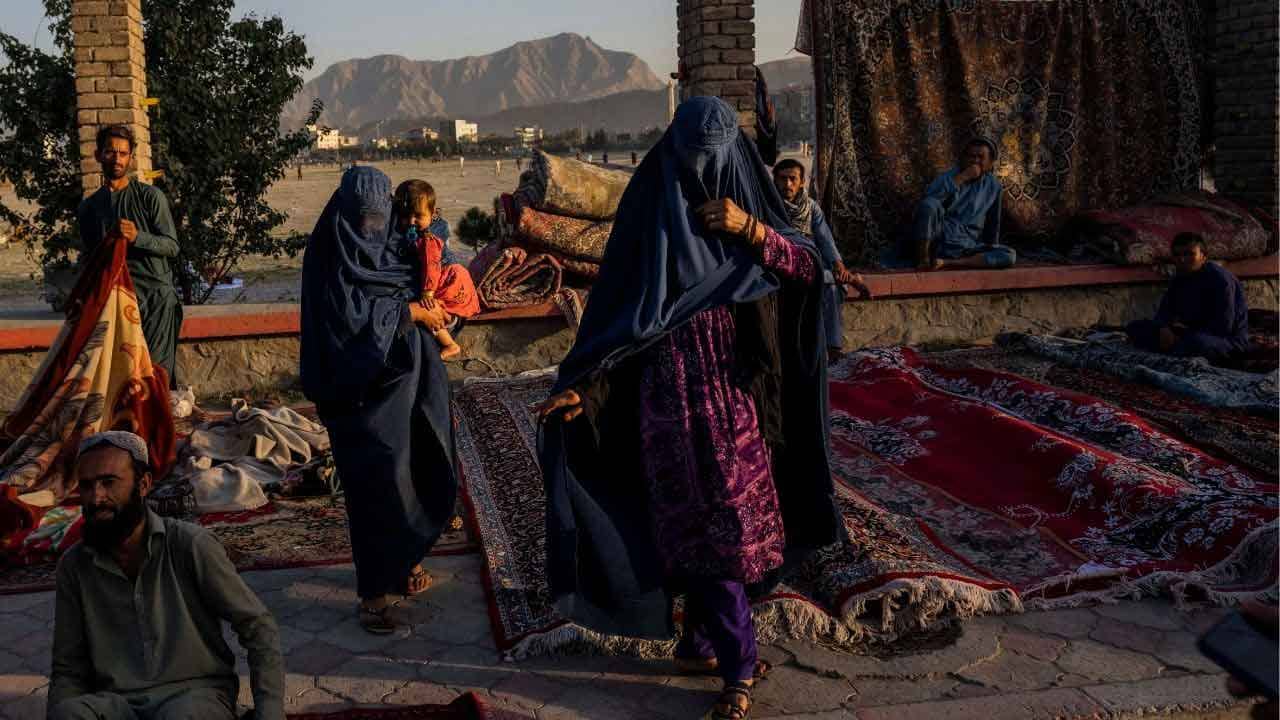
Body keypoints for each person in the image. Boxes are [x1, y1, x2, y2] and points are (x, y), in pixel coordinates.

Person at [535, 97, 839, 720]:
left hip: (738, 410)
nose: (702, 170)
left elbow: (809, 270)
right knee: (698, 538)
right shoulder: (650, 218)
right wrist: (584, 388)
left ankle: (710, 646)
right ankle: (735, 669)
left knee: (730, 537)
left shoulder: (748, 212)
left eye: (713, 157)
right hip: (665, 414)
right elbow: (621, 324)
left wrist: (749, 230)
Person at [299, 167, 459, 634]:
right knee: (374, 487)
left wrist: (435, 308)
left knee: (421, 469)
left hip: (413, 381)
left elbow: (434, 277)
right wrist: (406, 311)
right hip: (357, 396)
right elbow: (344, 326)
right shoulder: (330, 260)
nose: (369, 229)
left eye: (378, 217)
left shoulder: (400, 245)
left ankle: (407, 560)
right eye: (360, 219)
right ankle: (373, 594)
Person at [48, 431, 283, 720]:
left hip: (194, 697)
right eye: (87, 486)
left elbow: (257, 626)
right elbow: (68, 668)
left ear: (144, 484)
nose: (96, 498)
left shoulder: (189, 545)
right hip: (116, 704)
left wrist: (270, 713)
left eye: (109, 482)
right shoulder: (74, 566)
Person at [77, 125, 183, 387]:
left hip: (156, 297)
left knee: (154, 372)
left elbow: (172, 246)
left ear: (131, 157)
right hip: (115, 301)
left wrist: (139, 237)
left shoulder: (150, 197)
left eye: (123, 153)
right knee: (122, 377)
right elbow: (90, 259)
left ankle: (157, 425)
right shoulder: (89, 208)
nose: (117, 159)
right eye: (111, 152)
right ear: (98, 155)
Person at [772, 159, 870, 361]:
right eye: (783, 179)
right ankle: (852, 279)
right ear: (775, 181)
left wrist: (838, 265)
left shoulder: (811, 207)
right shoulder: (769, 205)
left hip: (810, 265)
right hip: (781, 263)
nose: (788, 184)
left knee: (832, 288)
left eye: (793, 179)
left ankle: (833, 348)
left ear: (802, 182)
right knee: (819, 278)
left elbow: (825, 238)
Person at [1126, 232, 1249, 363]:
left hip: (1224, 340)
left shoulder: (1220, 280)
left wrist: (1184, 335)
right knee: (1135, 327)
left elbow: (1223, 327)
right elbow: (1164, 312)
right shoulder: (1179, 278)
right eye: (1177, 255)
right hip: (1186, 333)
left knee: (1197, 343)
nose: (1182, 259)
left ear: (1203, 256)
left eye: (1189, 254)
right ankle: (1175, 348)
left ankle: (1175, 348)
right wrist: (1164, 329)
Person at [394, 180, 480, 360]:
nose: (411, 221)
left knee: (431, 309)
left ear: (432, 214)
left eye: (418, 216)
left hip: (447, 280)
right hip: (451, 276)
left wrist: (427, 295)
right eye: (405, 215)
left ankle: (450, 344)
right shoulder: (430, 229)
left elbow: (431, 267)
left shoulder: (428, 239)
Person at [913, 138, 1015, 270]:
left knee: (1009, 255)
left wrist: (991, 248)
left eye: (981, 157)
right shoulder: (950, 176)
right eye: (971, 156)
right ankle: (924, 260)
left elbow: (993, 222)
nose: (975, 161)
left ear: (990, 163)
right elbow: (928, 202)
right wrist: (963, 177)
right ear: (963, 158)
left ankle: (946, 263)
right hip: (939, 240)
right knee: (929, 204)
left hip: (966, 246)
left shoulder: (994, 186)